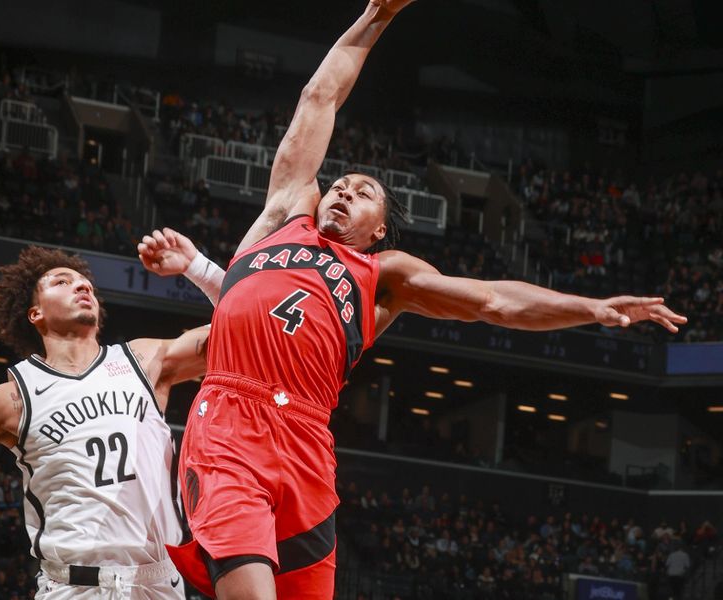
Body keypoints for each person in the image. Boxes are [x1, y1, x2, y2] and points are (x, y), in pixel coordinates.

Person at [138, 2, 687, 599]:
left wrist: (588, 306)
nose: (344, 191)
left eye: (364, 191)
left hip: (307, 445)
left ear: (380, 228)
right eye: (340, 185)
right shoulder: (282, 218)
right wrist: (375, 14)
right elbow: (319, 98)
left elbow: (493, 301)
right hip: (231, 423)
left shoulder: (381, 275)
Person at [0, 246, 210, 599]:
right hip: (74, 587)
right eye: (63, 281)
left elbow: (247, 326)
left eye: (86, 283)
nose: (82, 287)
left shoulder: (144, 360)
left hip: (159, 581)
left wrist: (198, 268)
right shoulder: (11, 399)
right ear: (35, 313)